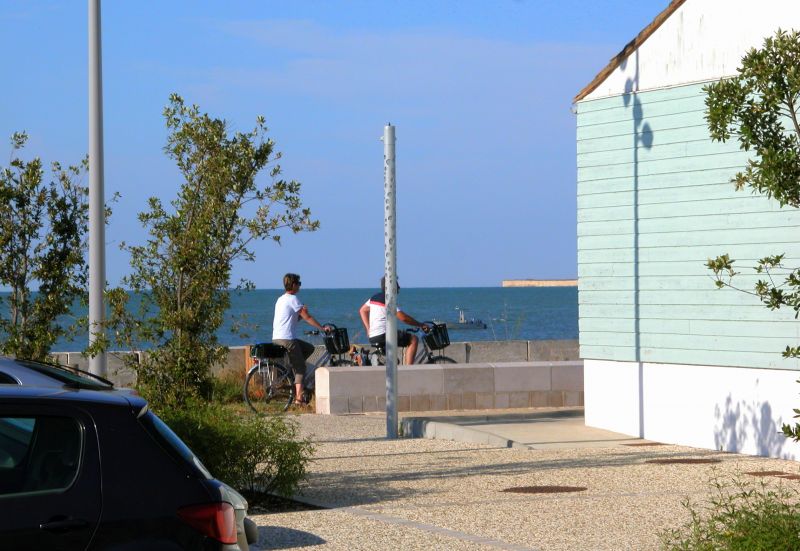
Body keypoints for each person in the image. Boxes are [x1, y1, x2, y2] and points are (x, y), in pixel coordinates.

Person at [272, 273, 329, 406]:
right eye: (299, 283)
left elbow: (292, 319)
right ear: (293, 285)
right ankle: (299, 399)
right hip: (288, 340)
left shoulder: (280, 299)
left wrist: (300, 316)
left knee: (309, 348)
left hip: (277, 338)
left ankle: (295, 374)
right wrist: (322, 328)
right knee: (301, 367)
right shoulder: (293, 299)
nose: (300, 286)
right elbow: (308, 317)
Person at [359, 276, 427, 365]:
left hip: (373, 336)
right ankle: (408, 370)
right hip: (383, 335)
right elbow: (403, 318)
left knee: (395, 356)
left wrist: (368, 329)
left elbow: (362, 310)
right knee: (413, 339)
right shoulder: (388, 300)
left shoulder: (374, 297)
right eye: (397, 285)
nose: (399, 287)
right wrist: (421, 325)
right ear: (391, 286)